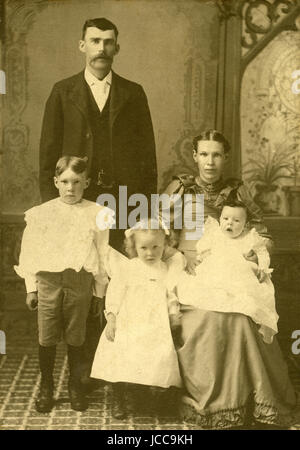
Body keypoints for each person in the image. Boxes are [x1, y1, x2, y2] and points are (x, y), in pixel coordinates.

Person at [39, 17, 157, 383]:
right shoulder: (63, 91)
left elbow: (147, 157)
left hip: (122, 201)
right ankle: (82, 372)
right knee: (81, 281)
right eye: (95, 41)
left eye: (108, 42)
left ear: (116, 48)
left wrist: (142, 212)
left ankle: (117, 370)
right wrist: (56, 212)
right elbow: (47, 156)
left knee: (118, 281)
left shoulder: (133, 93)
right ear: (82, 46)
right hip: (77, 203)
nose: (102, 48)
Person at [163, 129, 299, 428]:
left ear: (225, 158)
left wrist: (255, 252)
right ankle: (216, 401)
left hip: (233, 266)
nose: (210, 162)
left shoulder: (238, 191)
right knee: (212, 317)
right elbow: (159, 229)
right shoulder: (180, 188)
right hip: (189, 266)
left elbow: (262, 231)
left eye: (216, 155)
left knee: (243, 313)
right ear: (195, 156)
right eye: (204, 154)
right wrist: (180, 253)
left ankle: (251, 400)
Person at [14, 156, 110, 413]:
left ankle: (75, 386)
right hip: (48, 281)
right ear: (56, 182)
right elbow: (29, 253)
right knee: (47, 337)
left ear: (86, 182)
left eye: (77, 182)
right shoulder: (41, 214)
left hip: (80, 282)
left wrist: (99, 293)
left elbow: (102, 256)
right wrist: (31, 288)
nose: (71, 188)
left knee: (76, 337)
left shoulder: (98, 214)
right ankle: (47, 386)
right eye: (65, 181)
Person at [90, 219, 184, 419]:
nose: (150, 253)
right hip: (129, 322)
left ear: (165, 245)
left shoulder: (164, 269)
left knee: (157, 357)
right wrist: (112, 318)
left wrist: (174, 314)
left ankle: (149, 397)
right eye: (143, 248)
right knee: (122, 354)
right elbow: (114, 293)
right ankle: (120, 396)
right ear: (133, 247)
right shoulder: (127, 268)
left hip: (155, 324)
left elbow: (171, 293)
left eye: (155, 247)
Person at [177, 200, 278, 345]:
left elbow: (262, 253)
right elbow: (202, 250)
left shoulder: (250, 237)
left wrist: (263, 267)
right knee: (204, 285)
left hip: (239, 276)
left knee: (246, 296)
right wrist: (201, 258)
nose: (229, 223)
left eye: (236, 220)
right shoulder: (214, 234)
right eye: (225, 219)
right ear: (220, 219)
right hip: (215, 272)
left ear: (245, 224)